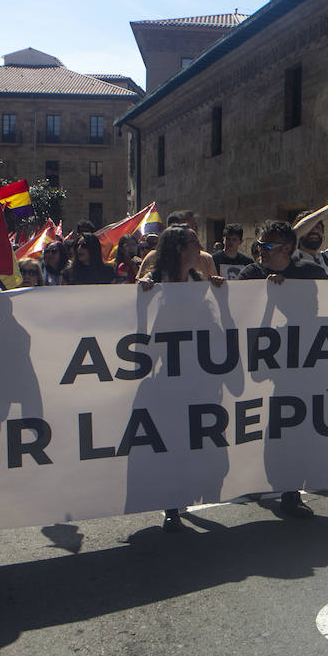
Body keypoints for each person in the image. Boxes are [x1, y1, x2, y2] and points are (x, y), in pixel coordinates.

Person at [238, 220, 328, 518]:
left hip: (301, 367)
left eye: (267, 247)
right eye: (258, 246)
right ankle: (256, 481)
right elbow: (236, 311)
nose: (260, 252)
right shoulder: (251, 275)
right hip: (261, 366)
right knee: (259, 428)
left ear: (288, 249)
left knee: (297, 432)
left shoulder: (309, 273)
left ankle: (291, 493)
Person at [140, 225, 225, 532]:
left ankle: (182, 494)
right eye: (194, 243)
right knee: (173, 441)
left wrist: (217, 290)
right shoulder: (155, 281)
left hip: (199, 376)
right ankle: (171, 505)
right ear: (179, 248)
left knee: (192, 441)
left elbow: (215, 321)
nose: (201, 249)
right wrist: (145, 289)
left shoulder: (197, 280)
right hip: (169, 377)